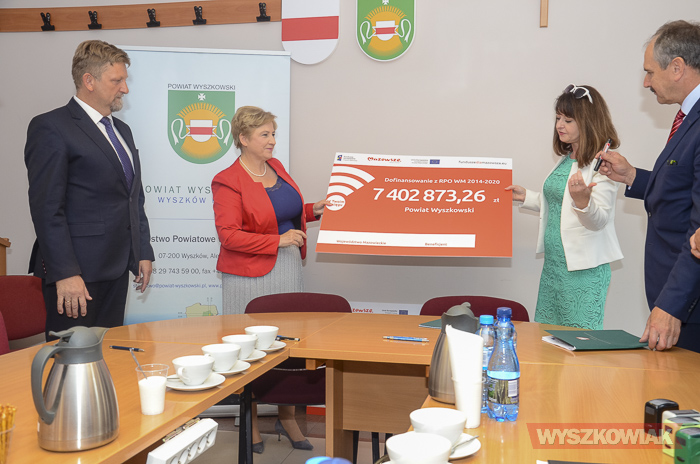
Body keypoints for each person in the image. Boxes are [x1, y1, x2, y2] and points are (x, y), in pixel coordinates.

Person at [211, 106, 329, 452]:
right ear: (243, 139)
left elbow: (283, 214)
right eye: (264, 134)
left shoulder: (276, 167)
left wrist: (312, 210)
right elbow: (229, 235)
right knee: (250, 351)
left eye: (273, 133)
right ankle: (249, 421)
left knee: (286, 346)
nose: (272, 141)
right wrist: (277, 241)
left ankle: (287, 417)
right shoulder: (227, 180)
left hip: (287, 268)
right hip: (248, 277)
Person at [25, 40, 154, 339]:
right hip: (77, 274)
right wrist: (65, 273)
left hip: (117, 268)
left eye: (125, 80)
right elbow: (47, 209)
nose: (125, 89)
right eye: (116, 81)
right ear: (89, 81)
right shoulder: (51, 127)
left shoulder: (122, 131)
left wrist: (142, 252)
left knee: (108, 354)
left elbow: (133, 198)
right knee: (71, 358)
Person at [598, 20, 700, 352]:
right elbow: (682, 193)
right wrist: (632, 176)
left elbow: (698, 229)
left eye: (650, 72)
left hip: (688, 304)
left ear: (677, 68)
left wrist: (671, 305)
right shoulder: (688, 117)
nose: (646, 83)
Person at [506, 84, 623, 329]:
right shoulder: (565, 158)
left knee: (578, 344)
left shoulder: (604, 163)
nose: (560, 125)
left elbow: (599, 220)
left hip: (583, 271)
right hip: (554, 267)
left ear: (588, 122)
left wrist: (583, 202)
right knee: (547, 340)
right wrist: (526, 197)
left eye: (568, 120)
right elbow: (560, 205)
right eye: (558, 118)